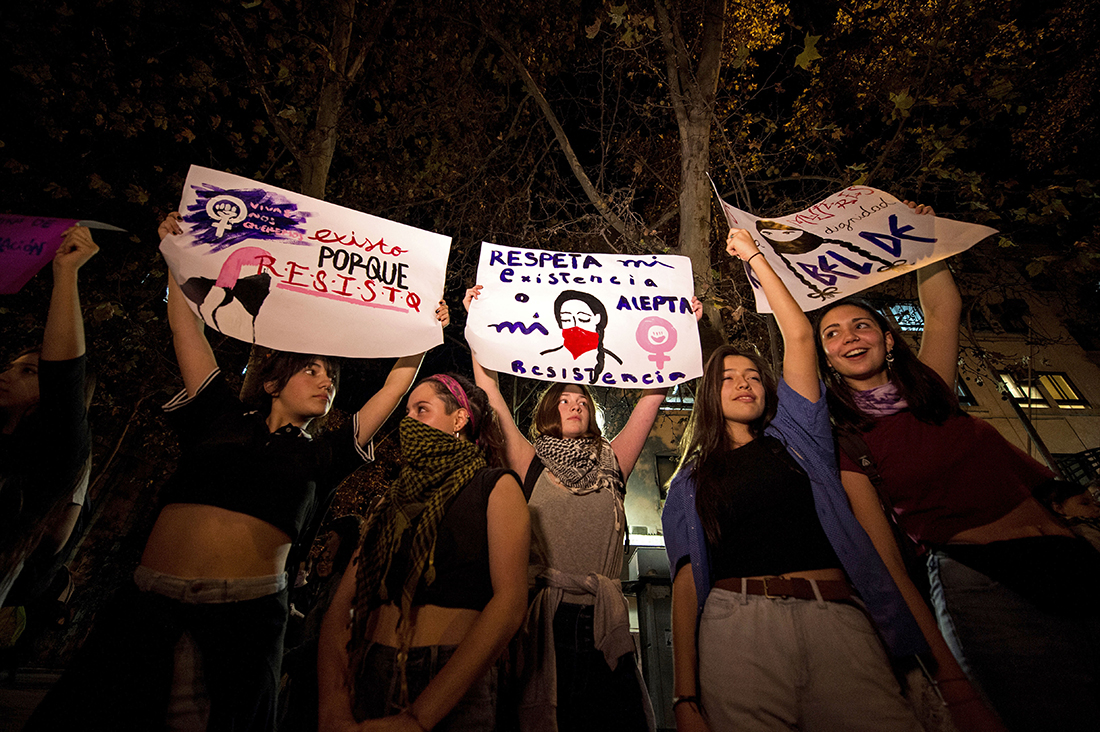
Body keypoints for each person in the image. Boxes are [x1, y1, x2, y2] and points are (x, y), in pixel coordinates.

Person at [26, 211, 447, 731]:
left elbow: (392, 389)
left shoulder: (326, 453)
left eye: (332, 377)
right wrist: (175, 257)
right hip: (146, 606)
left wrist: (424, 332)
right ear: (272, 383)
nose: (325, 382)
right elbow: (186, 325)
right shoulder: (218, 416)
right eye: (311, 369)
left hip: (244, 622)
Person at [813, 217, 1100, 731]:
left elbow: (944, 309)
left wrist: (920, 236)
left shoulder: (934, 392)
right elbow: (889, 567)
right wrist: (949, 674)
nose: (848, 337)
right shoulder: (848, 442)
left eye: (860, 325)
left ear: (888, 338)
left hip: (1072, 557)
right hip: (984, 586)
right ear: (828, 360)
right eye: (831, 333)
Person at [662, 228, 933, 732]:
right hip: (735, 629)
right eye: (726, 378)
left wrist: (754, 256)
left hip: (839, 621)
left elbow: (801, 335)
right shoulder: (688, 483)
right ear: (708, 398)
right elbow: (682, 583)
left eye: (752, 377)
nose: (743, 383)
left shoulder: (798, 437)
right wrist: (684, 696)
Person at [464, 286, 701, 732]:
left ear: (592, 415)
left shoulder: (614, 459)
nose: (574, 405)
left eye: (582, 402)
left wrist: (682, 328)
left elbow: (652, 396)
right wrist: (477, 323)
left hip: (604, 617)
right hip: (543, 619)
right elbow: (489, 392)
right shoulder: (529, 460)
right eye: (564, 400)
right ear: (549, 410)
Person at [317, 373, 530, 731]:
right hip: (371, 671)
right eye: (408, 412)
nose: (408, 421)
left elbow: (509, 604)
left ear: (459, 419)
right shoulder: (393, 499)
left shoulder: (495, 487)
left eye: (422, 410)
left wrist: (419, 717)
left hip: (451, 680)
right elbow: (342, 606)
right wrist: (332, 703)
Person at [0, 225, 98, 606]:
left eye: (28, 371)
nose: (7, 374)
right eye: (10, 366)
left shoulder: (55, 453)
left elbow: (64, 374)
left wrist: (66, 274)